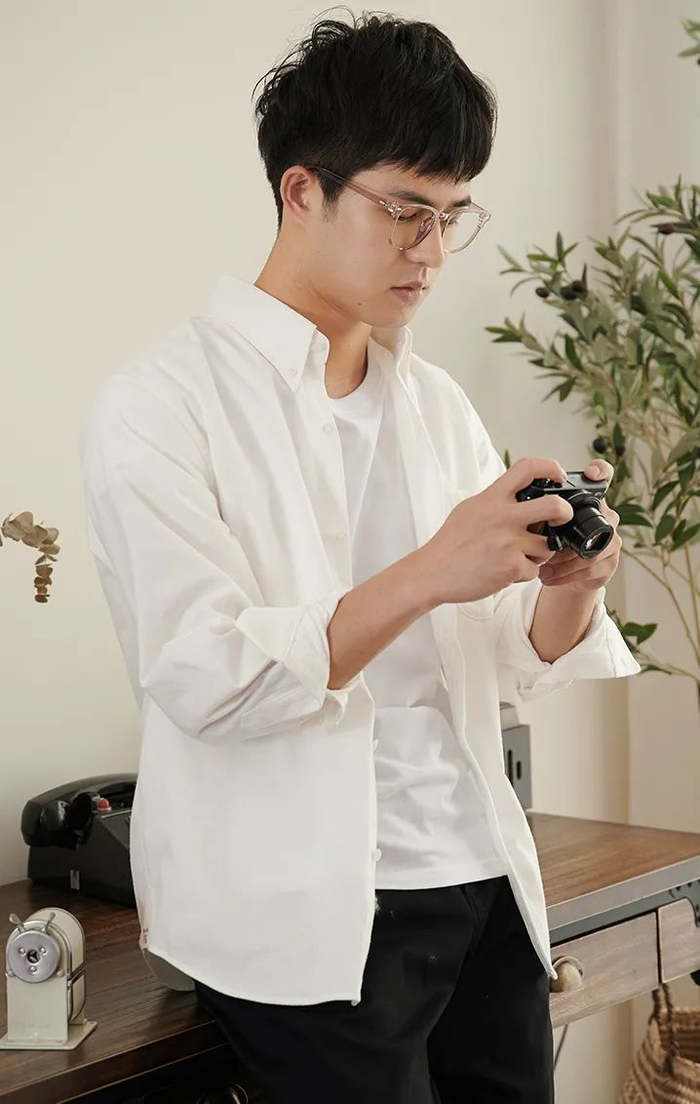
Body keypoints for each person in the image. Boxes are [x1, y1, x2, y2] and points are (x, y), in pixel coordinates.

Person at [79, 10, 641, 1103]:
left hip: (480, 876)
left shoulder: (432, 401)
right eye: (405, 211)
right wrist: (432, 567)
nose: (432, 250)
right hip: (307, 915)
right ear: (303, 191)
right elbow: (206, 677)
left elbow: (503, 652)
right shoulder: (159, 406)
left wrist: (571, 587)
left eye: (452, 215)